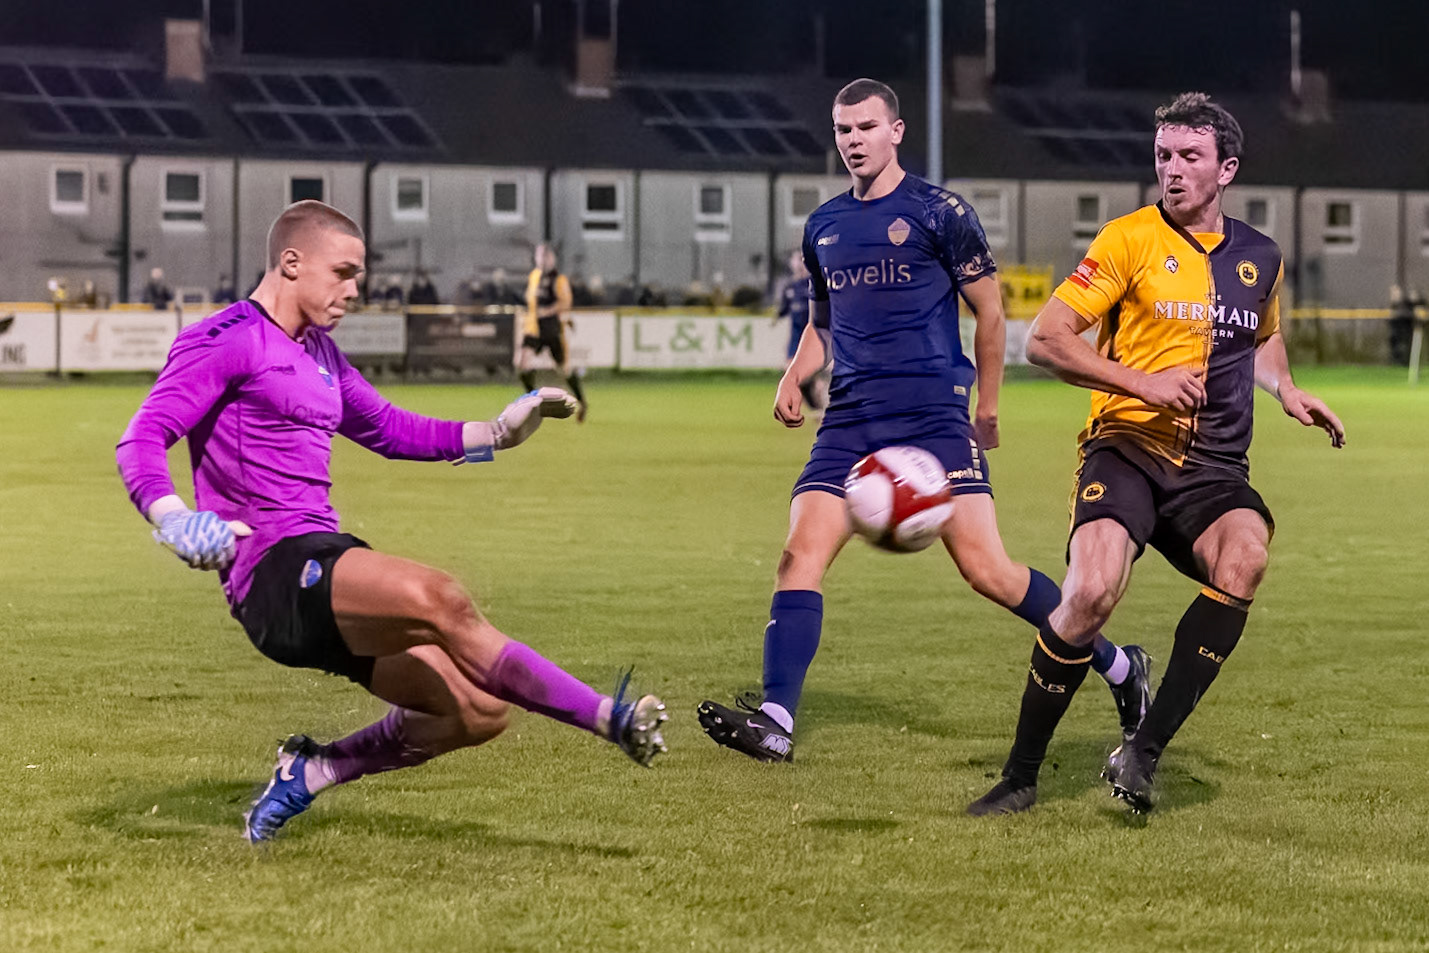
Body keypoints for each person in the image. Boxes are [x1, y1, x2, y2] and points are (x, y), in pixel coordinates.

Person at [116, 200, 667, 844]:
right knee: (440, 597)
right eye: (343, 273)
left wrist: (494, 433)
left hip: (323, 561)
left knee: (476, 712)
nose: (354, 290)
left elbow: (388, 428)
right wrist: (174, 517)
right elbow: (142, 437)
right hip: (270, 572)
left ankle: (313, 770)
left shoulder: (321, 353)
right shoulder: (229, 336)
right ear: (291, 263)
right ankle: (610, 717)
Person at [697, 79, 1150, 765]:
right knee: (798, 556)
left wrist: (987, 406)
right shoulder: (823, 226)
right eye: (843, 129)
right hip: (849, 419)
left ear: (896, 131)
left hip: (933, 418)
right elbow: (824, 324)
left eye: (866, 127)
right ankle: (776, 720)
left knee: (989, 572)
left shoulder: (941, 213)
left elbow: (991, 313)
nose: (853, 140)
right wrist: (794, 375)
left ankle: (1120, 667)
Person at [967, 92, 1346, 818]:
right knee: (1089, 592)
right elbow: (1045, 340)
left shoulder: (1259, 256)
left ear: (1226, 169)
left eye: (1188, 157)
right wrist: (1144, 383)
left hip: (1214, 467)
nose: (1171, 169)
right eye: (1163, 155)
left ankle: (1141, 751)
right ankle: (1020, 776)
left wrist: (1287, 388)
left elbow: (1261, 336)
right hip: (1128, 447)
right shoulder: (1127, 240)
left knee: (1246, 557)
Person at [518, 243, 588, 422]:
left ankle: (582, 402)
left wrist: (547, 311)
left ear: (552, 259)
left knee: (563, 370)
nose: (542, 259)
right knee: (523, 365)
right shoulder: (533, 277)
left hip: (551, 329)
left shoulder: (559, 280)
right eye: (539, 255)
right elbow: (530, 300)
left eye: (545, 256)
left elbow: (565, 303)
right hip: (533, 329)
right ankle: (532, 405)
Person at [776, 248, 827, 413]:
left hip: (813, 337)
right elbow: (784, 310)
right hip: (795, 338)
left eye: (802, 259)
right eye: (796, 259)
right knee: (793, 375)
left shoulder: (815, 283)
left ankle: (821, 403)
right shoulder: (790, 287)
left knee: (813, 376)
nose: (799, 263)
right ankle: (816, 407)